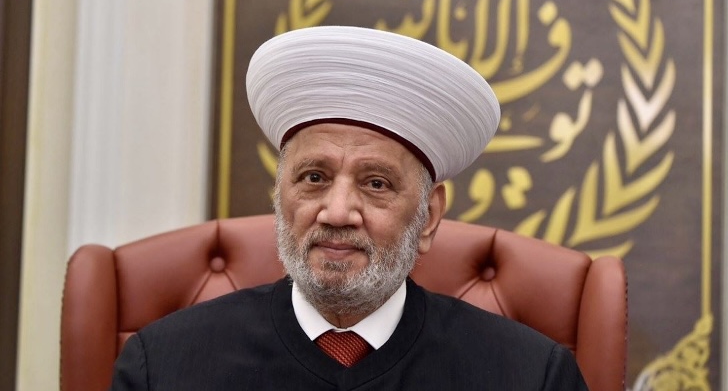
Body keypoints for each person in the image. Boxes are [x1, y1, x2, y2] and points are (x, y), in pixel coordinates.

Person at [110, 26, 588, 390]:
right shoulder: (164, 365)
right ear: (280, 196)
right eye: (314, 178)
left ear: (428, 216)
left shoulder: (530, 375)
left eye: (376, 183)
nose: (337, 213)